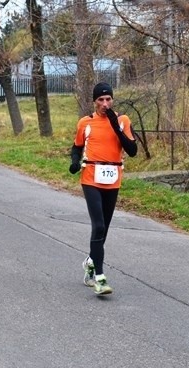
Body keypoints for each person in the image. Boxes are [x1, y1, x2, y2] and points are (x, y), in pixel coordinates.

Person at [69, 82, 137, 295]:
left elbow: (132, 150)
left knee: (104, 228)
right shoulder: (85, 123)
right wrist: (74, 161)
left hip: (113, 178)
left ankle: (90, 261)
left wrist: (116, 125)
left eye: (108, 99)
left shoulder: (123, 120)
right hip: (91, 178)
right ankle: (99, 276)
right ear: (94, 101)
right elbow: (77, 147)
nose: (105, 104)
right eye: (101, 100)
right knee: (98, 226)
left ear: (113, 100)